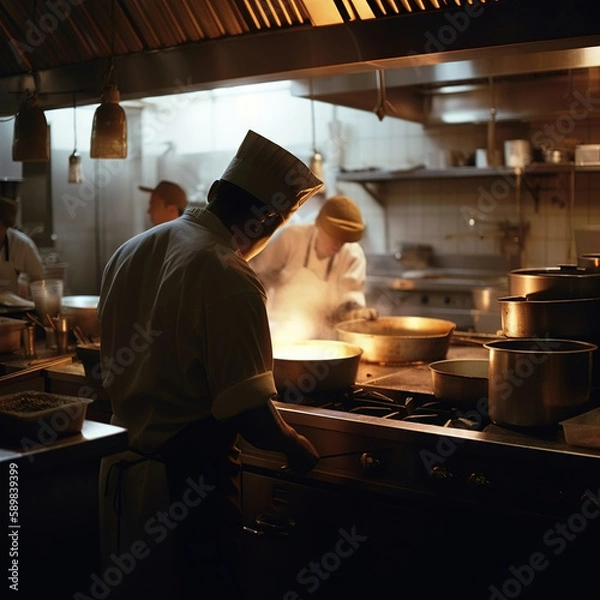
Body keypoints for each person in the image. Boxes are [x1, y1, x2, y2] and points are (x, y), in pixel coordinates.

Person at [97, 130, 322, 600]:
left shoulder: (130, 249)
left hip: (122, 476)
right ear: (264, 221)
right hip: (190, 490)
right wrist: (296, 447)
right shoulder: (229, 275)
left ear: (216, 192)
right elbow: (251, 415)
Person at [251, 194, 377, 340]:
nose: (338, 245)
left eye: (343, 240)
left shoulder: (353, 255)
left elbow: (350, 299)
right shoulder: (291, 238)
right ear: (319, 226)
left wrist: (355, 313)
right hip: (286, 330)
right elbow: (260, 277)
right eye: (333, 237)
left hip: (330, 336)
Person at [0, 196, 44, 296]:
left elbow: (39, 281)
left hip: (16, 307)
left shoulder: (23, 245)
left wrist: (28, 287)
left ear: (6, 225)